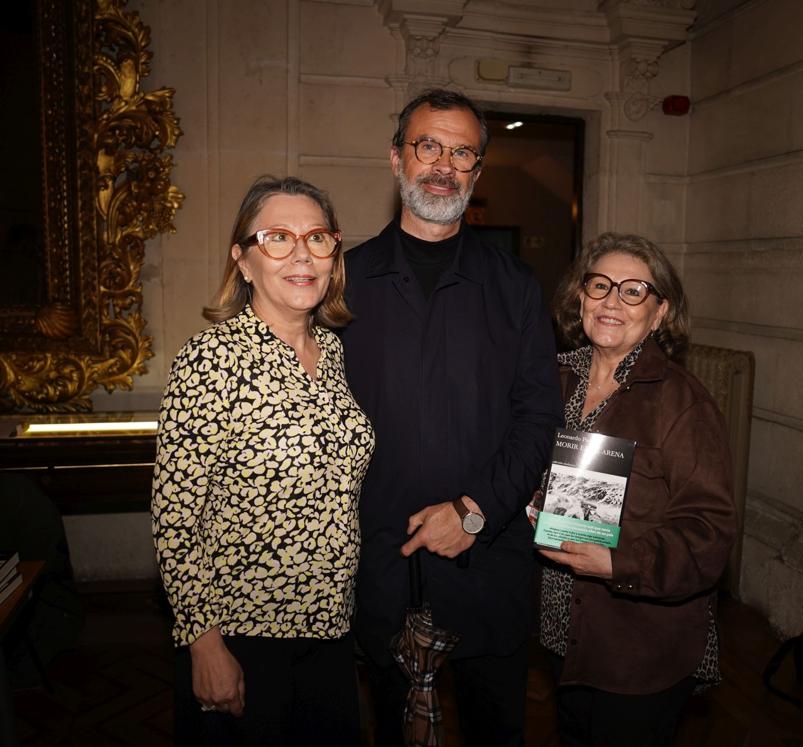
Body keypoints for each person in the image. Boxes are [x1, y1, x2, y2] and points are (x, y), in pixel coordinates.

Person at [341, 89, 563, 746]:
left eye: (462, 153)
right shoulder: (341, 284)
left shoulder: (515, 286)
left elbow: (539, 417)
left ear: (477, 171)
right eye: (429, 146)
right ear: (396, 158)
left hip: (487, 566)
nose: (444, 165)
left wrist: (473, 511)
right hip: (380, 566)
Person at [151, 176, 374, 746]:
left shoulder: (334, 352)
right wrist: (204, 643)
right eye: (277, 238)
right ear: (243, 260)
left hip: (330, 631)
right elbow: (175, 520)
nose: (302, 255)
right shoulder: (210, 359)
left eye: (317, 238)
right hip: (243, 636)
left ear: (334, 254)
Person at [536, 232, 737, 747]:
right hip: (560, 628)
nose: (611, 301)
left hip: (636, 646)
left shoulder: (682, 405)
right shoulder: (552, 379)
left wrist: (617, 562)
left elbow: (708, 535)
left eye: (633, 291)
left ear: (660, 312)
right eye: (600, 285)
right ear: (580, 296)